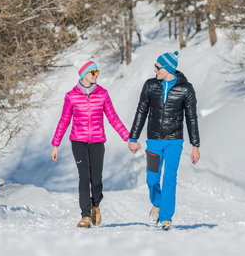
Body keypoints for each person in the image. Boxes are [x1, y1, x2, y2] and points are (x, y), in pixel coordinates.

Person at [51, 61, 129, 228]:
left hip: (97, 141)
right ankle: (85, 216)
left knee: (97, 179)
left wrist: (128, 138)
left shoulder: (103, 94)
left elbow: (113, 118)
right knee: (84, 177)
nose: (95, 75)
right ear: (84, 74)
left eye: (97, 72)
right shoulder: (71, 96)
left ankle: (95, 205)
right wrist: (55, 144)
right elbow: (64, 121)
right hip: (78, 141)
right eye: (92, 72)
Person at [127, 51, 200, 231]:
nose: (155, 70)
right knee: (152, 179)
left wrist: (195, 146)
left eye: (158, 67)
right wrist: (133, 137)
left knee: (169, 178)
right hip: (153, 141)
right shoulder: (150, 85)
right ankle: (157, 203)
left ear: (167, 68)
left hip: (174, 141)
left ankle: (166, 218)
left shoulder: (186, 89)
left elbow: (191, 118)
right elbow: (141, 112)